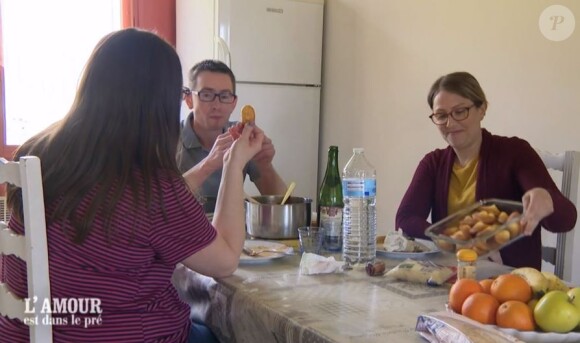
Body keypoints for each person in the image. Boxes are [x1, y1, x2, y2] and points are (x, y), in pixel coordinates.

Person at [0, 28, 263, 342]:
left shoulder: (39, 151)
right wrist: (235, 165)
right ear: (159, 103)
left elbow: (151, 209)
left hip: (29, 330)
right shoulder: (149, 182)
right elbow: (225, 260)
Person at [396, 71, 577, 269]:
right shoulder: (433, 163)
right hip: (452, 279)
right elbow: (405, 220)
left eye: (460, 111)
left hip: (510, 284)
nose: (450, 123)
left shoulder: (515, 152)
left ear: (482, 109)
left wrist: (548, 199)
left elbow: (565, 221)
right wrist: (456, 242)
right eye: (441, 115)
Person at [177, 59, 287, 212]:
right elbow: (156, 204)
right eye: (207, 95)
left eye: (225, 96)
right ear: (189, 100)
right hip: (183, 233)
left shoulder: (242, 138)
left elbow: (283, 204)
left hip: (231, 233)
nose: (217, 105)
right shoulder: (167, 140)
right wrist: (209, 163)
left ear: (234, 103)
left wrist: (264, 165)